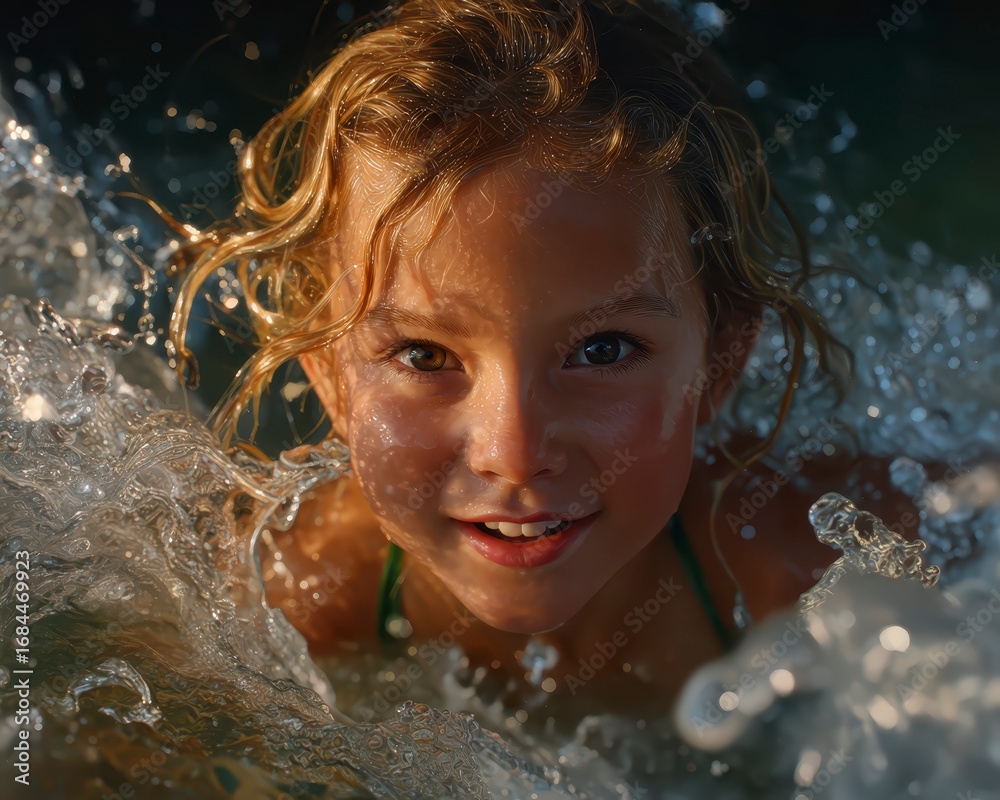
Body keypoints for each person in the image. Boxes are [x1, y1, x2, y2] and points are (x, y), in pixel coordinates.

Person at [165, 0, 920, 725]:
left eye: (602, 350)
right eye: (425, 355)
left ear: (719, 363)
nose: (516, 453)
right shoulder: (293, 602)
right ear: (331, 373)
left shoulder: (815, 570)